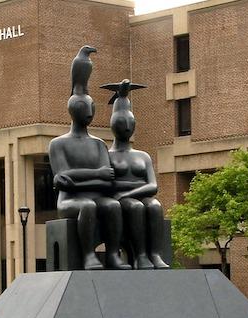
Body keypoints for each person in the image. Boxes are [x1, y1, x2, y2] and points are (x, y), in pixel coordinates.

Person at [48, 45, 128, 270]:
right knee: (89, 206)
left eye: (91, 107)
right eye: (85, 107)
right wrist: (96, 175)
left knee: (112, 206)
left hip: (93, 196)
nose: (90, 113)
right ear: (74, 109)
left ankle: (113, 254)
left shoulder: (98, 144)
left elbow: (107, 180)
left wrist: (80, 179)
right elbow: (63, 179)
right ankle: (88, 255)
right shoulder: (58, 144)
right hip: (70, 202)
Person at [103, 79, 170, 270]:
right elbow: (107, 184)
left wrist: (127, 192)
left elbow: (153, 186)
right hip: (123, 201)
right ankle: (141, 256)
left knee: (155, 206)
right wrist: (126, 194)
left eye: (129, 122)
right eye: (121, 122)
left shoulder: (143, 156)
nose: (126, 127)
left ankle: (155, 254)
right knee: (135, 208)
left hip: (132, 196)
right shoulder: (107, 156)